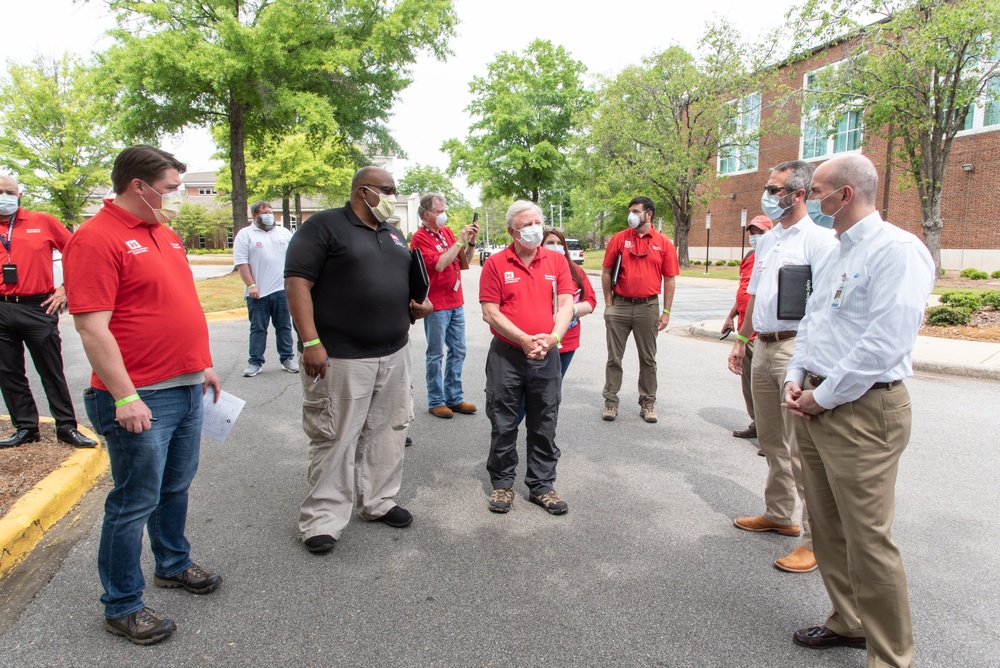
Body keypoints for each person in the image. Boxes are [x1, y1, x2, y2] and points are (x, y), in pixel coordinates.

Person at [63, 145, 223, 645]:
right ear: (139, 185)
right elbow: (92, 328)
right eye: (172, 189)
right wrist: (125, 396)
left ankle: (172, 563)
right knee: (133, 502)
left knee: (174, 487)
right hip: (140, 395)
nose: (177, 198)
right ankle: (122, 604)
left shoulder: (163, 233)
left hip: (185, 384)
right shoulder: (95, 238)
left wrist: (203, 365)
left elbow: (175, 305)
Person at [783, 154, 934, 667]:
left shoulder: (897, 251)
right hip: (816, 401)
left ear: (844, 195)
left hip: (862, 410)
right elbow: (812, 322)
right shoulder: (837, 252)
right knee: (827, 527)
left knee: (868, 540)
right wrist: (795, 376)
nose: (809, 198)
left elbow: (884, 344)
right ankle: (847, 621)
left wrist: (821, 398)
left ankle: (892, 658)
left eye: (817, 190)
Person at [284, 166, 432, 555]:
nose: (393, 196)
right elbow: (297, 283)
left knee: (390, 429)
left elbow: (398, 286)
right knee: (334, 436)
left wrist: (417, 306)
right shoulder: (323, 227)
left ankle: (378, 501)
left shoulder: (394, 234)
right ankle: (322, 519)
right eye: (388, 190)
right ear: (364, 191)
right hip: (340, 356)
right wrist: (310, 341)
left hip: (394, 351)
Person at [726, 160, 837, 575]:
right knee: (772, 440)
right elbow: (754, 295)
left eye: (775, 190)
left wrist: (808, 359)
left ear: (800, 195)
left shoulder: (820, 241)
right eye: (768, 189)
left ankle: (814, 540)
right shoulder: (769, 242)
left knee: (801, 448)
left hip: (795, 348)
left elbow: (824, 307)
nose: (768, 196)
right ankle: (779, 514)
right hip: (763, 345)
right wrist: (742, 340)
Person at [480, 201, 574, 515]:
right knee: (504, 423)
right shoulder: (495, 263)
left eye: (537, 222)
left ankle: (542, 485)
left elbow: (565, 306)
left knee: (544, 422)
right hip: (507, 355)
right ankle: (503, 485)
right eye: (526, 224)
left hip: (546, 354)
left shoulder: (556, 261)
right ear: (512, 231)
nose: (534, 228)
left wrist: (554, 338)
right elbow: (489, 311)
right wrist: (522, 338)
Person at [0, 174, 96, 449]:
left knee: (51, 370)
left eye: (10, 192)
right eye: (0, 191)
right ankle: (26, 427)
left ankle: (66, 426)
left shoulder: (42, 221)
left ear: (19, 196)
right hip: (1, 306)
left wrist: (66, 288)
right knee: (8, 372)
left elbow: (78, 252)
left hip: (37, 306)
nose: (5, 196)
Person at [601, 196, 678, 423]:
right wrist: (608, 302)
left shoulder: (663, 243)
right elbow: (606, 271)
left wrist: (666, 312)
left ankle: (648, 402)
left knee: (648, 359)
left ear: (649, 214)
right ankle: (610, 402)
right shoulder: (619, 239)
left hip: (648, 307)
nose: (631, 215)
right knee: (614, 357)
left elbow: (670, 279)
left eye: (636, 211)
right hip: (620, 305)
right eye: (630, 211)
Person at [409, 192, 478, 418]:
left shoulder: (447, 232)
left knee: (458, 350)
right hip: (436, 304)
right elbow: (439, 264)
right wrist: (458, 240)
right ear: (426, 214)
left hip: (455, 301)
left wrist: (471, 242)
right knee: (436, 353)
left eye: (443, 210)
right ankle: (436, 400)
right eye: (438, 212)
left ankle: (455, 397)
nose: (443, 215)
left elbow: (463, 260)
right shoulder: (420, 238)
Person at [722, 215, 773, 442]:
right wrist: (731, 315)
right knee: (748, 384)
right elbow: (745, 291)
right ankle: (757, 423)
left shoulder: (772, 256)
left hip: (759, 330)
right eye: (752, 233)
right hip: (744, 327)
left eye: (760, 233)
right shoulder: (751, 255)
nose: (755, 237)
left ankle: (770, 435)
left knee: (763, 387)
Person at [233, 200, 298, 377]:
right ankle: (255, 362)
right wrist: (251, 285)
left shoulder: (284, 233)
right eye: (265, 213)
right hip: (258, 293)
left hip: (281, 291)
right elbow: (241, 262)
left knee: (284, 326)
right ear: (255, 215)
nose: (270, 216)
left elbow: (295, 257)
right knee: (258, 328)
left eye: (270, 212)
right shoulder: (245, 235)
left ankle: (287, 358)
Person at [542, 228, 596, 376]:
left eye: (559, 243)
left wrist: (570, 309)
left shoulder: (575, 271)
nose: (556, 246)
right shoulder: (536, 269)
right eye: (550, 242)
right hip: (539, 340)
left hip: (567, 341)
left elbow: (591, 302)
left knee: (554, 386)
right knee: (534, 389)